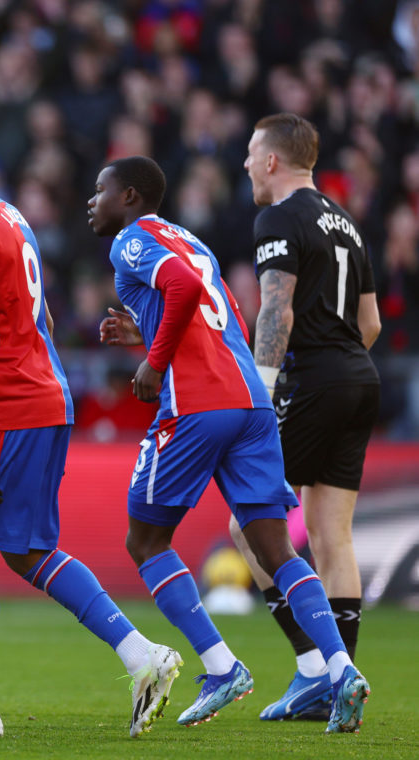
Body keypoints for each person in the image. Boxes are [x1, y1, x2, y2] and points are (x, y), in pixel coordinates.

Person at [0, 109, 182, 740]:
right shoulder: (11, 216)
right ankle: (143, 656)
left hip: (7, 406)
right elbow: (43, 318)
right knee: (29, 551)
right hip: (45, 396)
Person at [89, 154, 369, 734]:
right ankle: (340, 669)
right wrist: (145, 332)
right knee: (276, 548)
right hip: (250, 402)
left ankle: (221, 668)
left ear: (131, 197)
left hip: (196, 404)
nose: (92, 201)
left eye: (101, 190)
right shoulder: (190, 238)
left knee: (145, 540)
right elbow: (218, 317)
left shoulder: (131, 241)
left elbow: (183, 287)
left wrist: (154, 360)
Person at [228, 112, 381, 722]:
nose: (245, 164)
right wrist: (340, 369)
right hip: (360, 378)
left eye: (250, 153)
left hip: (312, 379)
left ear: (272, 160)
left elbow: (276, 310)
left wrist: (263, 395)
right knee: (330, 535)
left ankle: (318, 669)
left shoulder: (278, 217)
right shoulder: (346, 222)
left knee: (248, 525)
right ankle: (343, 683)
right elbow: (370, 323)